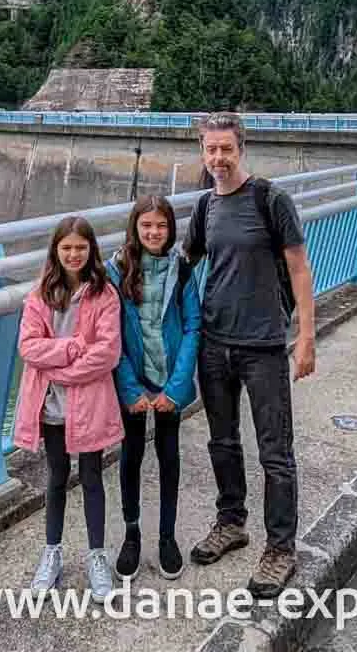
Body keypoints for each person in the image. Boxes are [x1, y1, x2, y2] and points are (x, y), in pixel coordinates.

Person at [183, 111, 316, 599]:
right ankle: (231, 522)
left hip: (262, 344)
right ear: (202, 151)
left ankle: (281, 549)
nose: (218, 158)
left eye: (226, 149)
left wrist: (305, 337)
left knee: (275, 452)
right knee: (222, 442)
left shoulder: (270, 199)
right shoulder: (204, 208)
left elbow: (299, 270)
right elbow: (183, 263)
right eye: (210, 149)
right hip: (213, 343)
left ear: (241, 149)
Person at [13, 215, 124, 602]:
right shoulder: (40, 293)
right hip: (50, 406)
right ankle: (52, 553)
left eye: (81, 247)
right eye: (67, 248)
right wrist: (72, 347)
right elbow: (28, 347)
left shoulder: (104, 294)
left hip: (88, 402)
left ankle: (97, 558)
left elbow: (108, 352)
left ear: (91, 250)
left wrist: (60, 371)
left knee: (92, 476)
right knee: (56, 475)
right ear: (56, 251)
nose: (74, 254)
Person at [106, 195, 201, 581]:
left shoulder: (182, 268)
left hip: (168, 385)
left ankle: (166, 536)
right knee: (130, 457)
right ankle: (132, 534)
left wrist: (176, 389)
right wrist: (130, 390)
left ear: (170, 229)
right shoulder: (117, 270)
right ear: (135, 228)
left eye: (161, 226)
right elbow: (110, 335)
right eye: (146, 225)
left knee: (169, 458)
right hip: (134, 382)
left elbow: (193, 326)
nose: (153, 232)